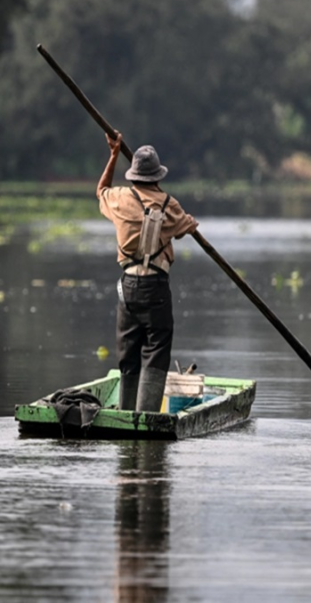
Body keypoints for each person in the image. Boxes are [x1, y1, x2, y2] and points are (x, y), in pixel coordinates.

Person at [97, 132, 198, 412]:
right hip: (156, 288)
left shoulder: (118, 199)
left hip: (127, 288)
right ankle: (147, 417)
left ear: (133, 176)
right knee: (156, 352)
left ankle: (126, 415)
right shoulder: (169, 205)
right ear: (158, 176)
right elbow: (186, 226)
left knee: (128, 356)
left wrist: (113, 155)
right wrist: (188, 224)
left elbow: (101, 190)